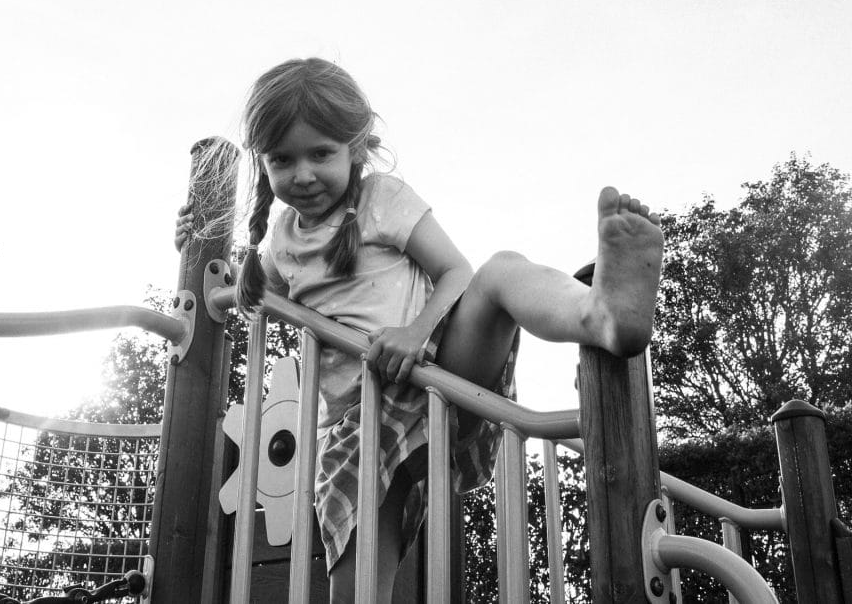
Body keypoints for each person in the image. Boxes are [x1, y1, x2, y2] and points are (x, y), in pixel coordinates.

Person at [175, 57, 664, 603]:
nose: (304, 174)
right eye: (282, 160)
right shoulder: (282, 241)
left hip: (435, 371)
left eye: (321, 153)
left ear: (356, 148)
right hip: (358, 425)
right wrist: (194, 235)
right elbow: (252, 300)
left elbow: (455, 271)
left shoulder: (380, 198)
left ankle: (598, 315)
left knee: (500, 269)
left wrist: (414, 330)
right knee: (356, 576)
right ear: (263, 164)